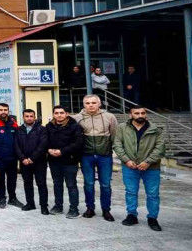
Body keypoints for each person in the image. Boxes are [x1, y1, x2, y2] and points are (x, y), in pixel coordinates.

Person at [114, 106, 165, 231]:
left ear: (146, 114)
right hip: (130, 166)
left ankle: (152, 218)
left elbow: (160, 148)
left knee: (153, 194)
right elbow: (117, 144)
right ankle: (132, 215)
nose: (140, 115)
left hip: (151, 167)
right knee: (131, 192)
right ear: (130, 115)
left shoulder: (155, 129)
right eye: (136, 113)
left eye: (143, 113)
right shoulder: (122, 128)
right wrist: (126, 160)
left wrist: (148, 162)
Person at [72, 94, 118, 222]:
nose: (90, 105)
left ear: (99, 104)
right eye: (87, 103)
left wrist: (113, 151)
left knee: (105, 184)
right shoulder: (77, 118)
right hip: (86, 155)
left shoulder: (109, 117)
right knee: (88, 183)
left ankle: (106, 210)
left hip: (105, 156)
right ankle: (90, 208)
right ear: (83, 104)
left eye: (93, 103)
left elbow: (114, 135)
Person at [45, 105, 85, 218]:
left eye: (61, 113)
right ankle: (58, 206)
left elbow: (78, 143)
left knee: (71, 185)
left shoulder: (75, 127)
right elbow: (45, 140)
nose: (59, 115)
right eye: (56, 113)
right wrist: (48, 150)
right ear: (53, 114)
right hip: (54, 160)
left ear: (67, 114)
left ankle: (74, 209)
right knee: (57, 184)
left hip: (70, 160)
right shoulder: (49, 126)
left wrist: (62, 151)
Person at [14, 109, 49, 214]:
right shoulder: (19, 130)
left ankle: (44, 206)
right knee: (27, 183)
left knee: (41, 183)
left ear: (34, 117)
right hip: (24, 162)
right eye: (27, 116)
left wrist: (32, 158)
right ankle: (30, 203)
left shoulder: (42, 129)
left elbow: (43, 145)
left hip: (39, 161)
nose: (29, 118)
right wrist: (22, 158)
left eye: (31, 116)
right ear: (23, 117)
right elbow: (16, 146)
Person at [0, 103, 21, 209]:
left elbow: (18, 140)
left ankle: (12, 198)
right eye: (1, 110)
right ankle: (2, 198)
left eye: (5, 110)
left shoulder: (14, 124)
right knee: (0, 179)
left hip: (12, 157)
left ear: (8, 111)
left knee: (12, 179)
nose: (3, 112)